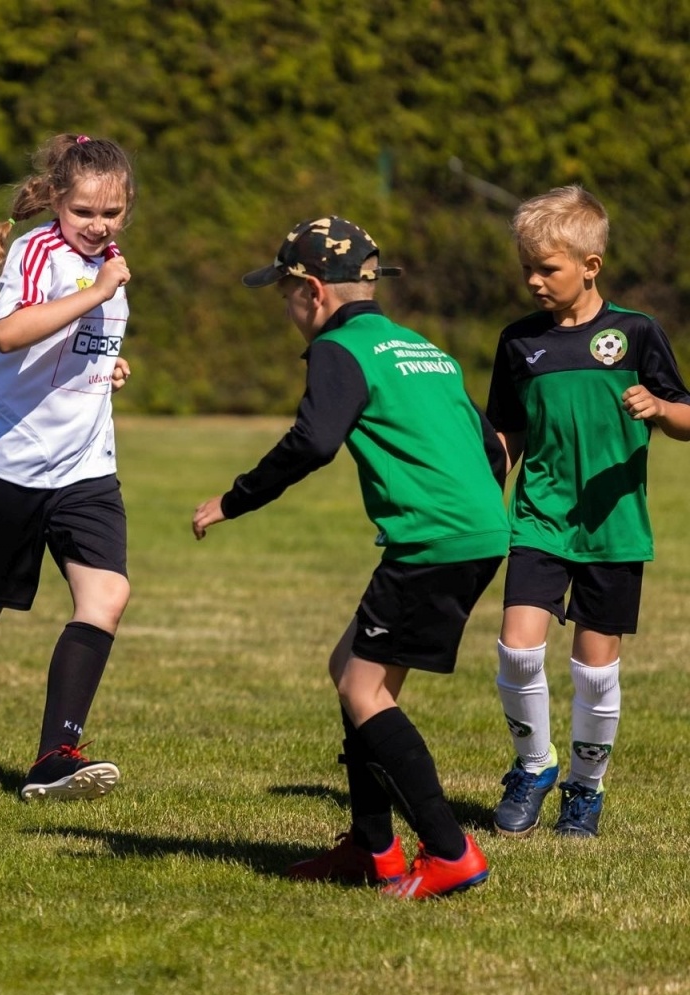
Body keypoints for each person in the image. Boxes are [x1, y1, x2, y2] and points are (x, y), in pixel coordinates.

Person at [192, 217, 510, 900]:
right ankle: (374, 845)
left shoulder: (341, 349)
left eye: (284, 295)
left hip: (435, 539)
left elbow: (313, 442)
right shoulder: (420, 346)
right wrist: (475, 511)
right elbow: (492, 447)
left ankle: (450, 851)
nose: (285, 309)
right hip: (475, 530)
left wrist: (234, 499)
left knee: (362, 691)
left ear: (312, 290)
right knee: (352, 672)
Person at [0, 133, 135, 802]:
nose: (99, 227)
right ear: (58, 204)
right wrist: (98, 293)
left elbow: (76, 341)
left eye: (113, 213)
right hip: (12, 462)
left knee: (107, 596)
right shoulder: (36, 250)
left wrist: (105, 366)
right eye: (85, 214)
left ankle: (55, 756)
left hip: (85, 466)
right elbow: (9, 333)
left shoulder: (111, 262)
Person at [486, 186, 690, 839]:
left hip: (613, 524)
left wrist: (660, 410)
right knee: (517, 651)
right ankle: (533, 766)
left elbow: (686, 414)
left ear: (590, 265)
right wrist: (480, 482)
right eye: (527, 268)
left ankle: (585, 787)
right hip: (541, 516)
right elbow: (507, 432)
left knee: (595, 670)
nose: (534, 280)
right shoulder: (518, 342)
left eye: (548, 268)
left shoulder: (636, 333)